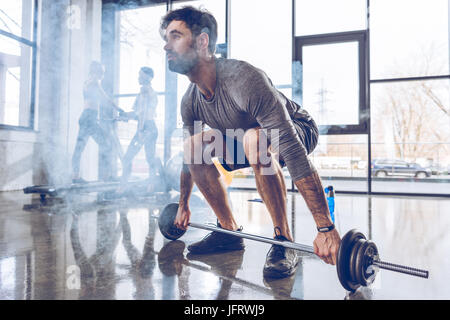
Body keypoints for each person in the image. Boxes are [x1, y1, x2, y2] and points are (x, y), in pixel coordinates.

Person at [160, 6, 341, 278]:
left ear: (202, 41)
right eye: (166, 37)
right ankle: (229, 232)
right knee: (194, 147)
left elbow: (292, 149)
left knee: (255, 138)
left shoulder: (244, 80)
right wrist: (183, 205)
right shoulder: (190, 101)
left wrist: (325, 228)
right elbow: (190, 161)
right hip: (245, 139)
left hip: (298, 128)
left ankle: (283, 240)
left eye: (175, 36)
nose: (166, 45)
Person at [71, 61, 125, 184]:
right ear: (96, 71)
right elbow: (106, 99)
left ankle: (75, 176)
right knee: (107, 145)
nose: (103, 75)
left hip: (86, 117)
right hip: (89, 118)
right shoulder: (95, 82)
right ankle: (107, 175)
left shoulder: (87, 82)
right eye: (102, 72)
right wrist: (120, 110)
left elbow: (94, 101)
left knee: (79, 148)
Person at [119, 67, 159, 190]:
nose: (138, 77)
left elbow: (143, 113)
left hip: (146, 128)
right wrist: (125, 115)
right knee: (150, 158)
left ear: (148, 77)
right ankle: (151, 186)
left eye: (140, 75)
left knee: (128, 158)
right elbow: (137, 112)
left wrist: (141, 131)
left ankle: (123, 187)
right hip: (149, 127)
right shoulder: (143, 91)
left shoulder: (145, 90)